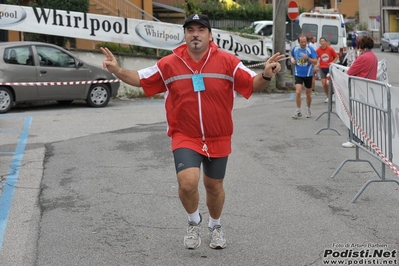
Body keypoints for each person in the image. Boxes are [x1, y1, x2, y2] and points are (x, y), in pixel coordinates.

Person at [100, 13, 284, 249]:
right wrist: (117, 69)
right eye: (190, 30)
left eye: (200, 29)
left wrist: (267, 74)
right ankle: (193, 221)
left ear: (210, 35)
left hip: (218, 135)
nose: (195, 34)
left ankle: (215, 225)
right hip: (184, 134)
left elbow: (252, 83)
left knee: (213, 186)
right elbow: (140, 78)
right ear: (185, 35)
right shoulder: (169, 63)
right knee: (187, 183)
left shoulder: (228, 61)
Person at [342, 35, 378, 148]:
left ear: (361, 46)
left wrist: (358, 56)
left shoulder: (362, 57)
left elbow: (350, 71)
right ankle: (364, 139)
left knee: (354, 115)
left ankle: (354, 139)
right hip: (369, 88)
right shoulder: (373, 56)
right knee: (364, 116)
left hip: (359, 89)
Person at [290, 34, 318, 119]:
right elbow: (292, 55)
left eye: (305, 42)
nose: (303, 43)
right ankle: (298, 110)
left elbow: (315, 62)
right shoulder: (295, 49)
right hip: (298, 73)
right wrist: (292, 59)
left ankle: (308, 109)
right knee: (298, 92)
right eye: (302, 42)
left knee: (308, 93)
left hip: (308, 74)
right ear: (299, 42)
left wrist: (308, 59)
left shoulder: (310, 49)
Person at [316, 37, 339, 103]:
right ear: (320, 43)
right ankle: (328, 97)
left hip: (329, 68)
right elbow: (316, 58)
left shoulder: (330, 49)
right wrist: (317, 63)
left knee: (328, 83)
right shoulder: (318, 50)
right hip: (322, 68)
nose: (323, 43)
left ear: (326, 42)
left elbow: (336, 56)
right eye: (321, 41)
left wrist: (333, 62)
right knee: (324, 84)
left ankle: (333, 94)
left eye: (324, 41)